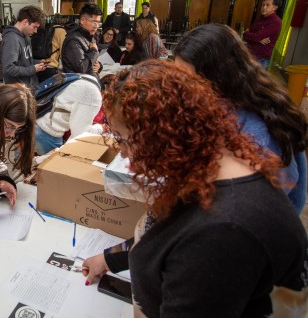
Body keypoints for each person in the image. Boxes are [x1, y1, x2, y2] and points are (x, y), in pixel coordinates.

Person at [82, 60, 308, 317]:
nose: (121, 151)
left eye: (123, 139)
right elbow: (164, 228)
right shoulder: (208, 163)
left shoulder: (223, 233)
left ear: (159, 137)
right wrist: (110, 259)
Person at [173, 23, 307, 213]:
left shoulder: (259, 132)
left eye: (189, 80)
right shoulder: (235, 100)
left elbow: (246, 209)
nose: (181, 88)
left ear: (218, 76)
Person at [34, 74, 102, 154]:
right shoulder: (93, 95)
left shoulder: (86, 79)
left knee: (23, 163)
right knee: (54, 164)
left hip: (36, 120)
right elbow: (79, 134)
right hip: (47, 132)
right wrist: (100, 128)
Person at [1, 5, 47, 87]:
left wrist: (38, 63)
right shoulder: (11, 38)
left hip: (30, 88)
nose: (36, 31)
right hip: (18, 92)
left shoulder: (26, 37)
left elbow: (23, 61)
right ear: (25, 22)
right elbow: (8, 69)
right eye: (34, 27)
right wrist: (33, 69)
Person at [61, 3, 103, 76]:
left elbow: (91, 63)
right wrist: (94, 52)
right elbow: (81, 68)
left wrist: (99, 66)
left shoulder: (90, 37)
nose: (96, 26)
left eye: (98, 22)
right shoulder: (73, 40)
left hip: (89, 82)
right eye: (93, 22)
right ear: (82, 20)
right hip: (78, 84)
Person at [243, 0, 282, 68]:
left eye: (268, 5)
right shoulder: (261, 18)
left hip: (260, 59)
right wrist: (251, 35)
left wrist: (251, 35)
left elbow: (255, 36)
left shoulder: (275, 22)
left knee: (255, 79)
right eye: (263, 5)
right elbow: (247, 35)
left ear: (275, 7)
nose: (264, 7)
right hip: (250, 54)